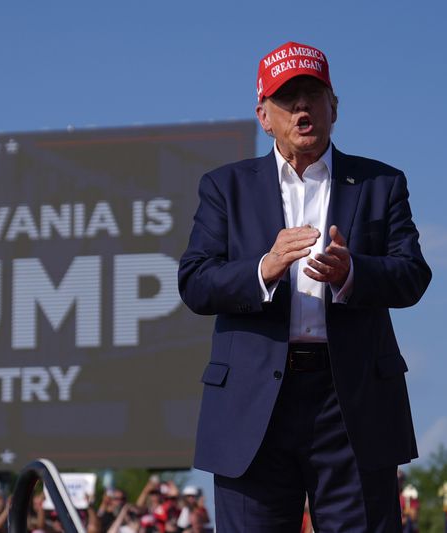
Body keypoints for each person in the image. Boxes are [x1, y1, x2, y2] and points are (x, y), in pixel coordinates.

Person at [179, 40, 431, 531]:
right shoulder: (224, 187)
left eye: (312, 95)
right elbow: (195, 281)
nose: (301, 108)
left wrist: (353, 271)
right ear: (263, 115)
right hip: (252, 407)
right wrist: (264, 268)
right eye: (286, 98)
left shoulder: (381, 183)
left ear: (333, 107)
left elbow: (412, 274)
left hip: (352, 403)